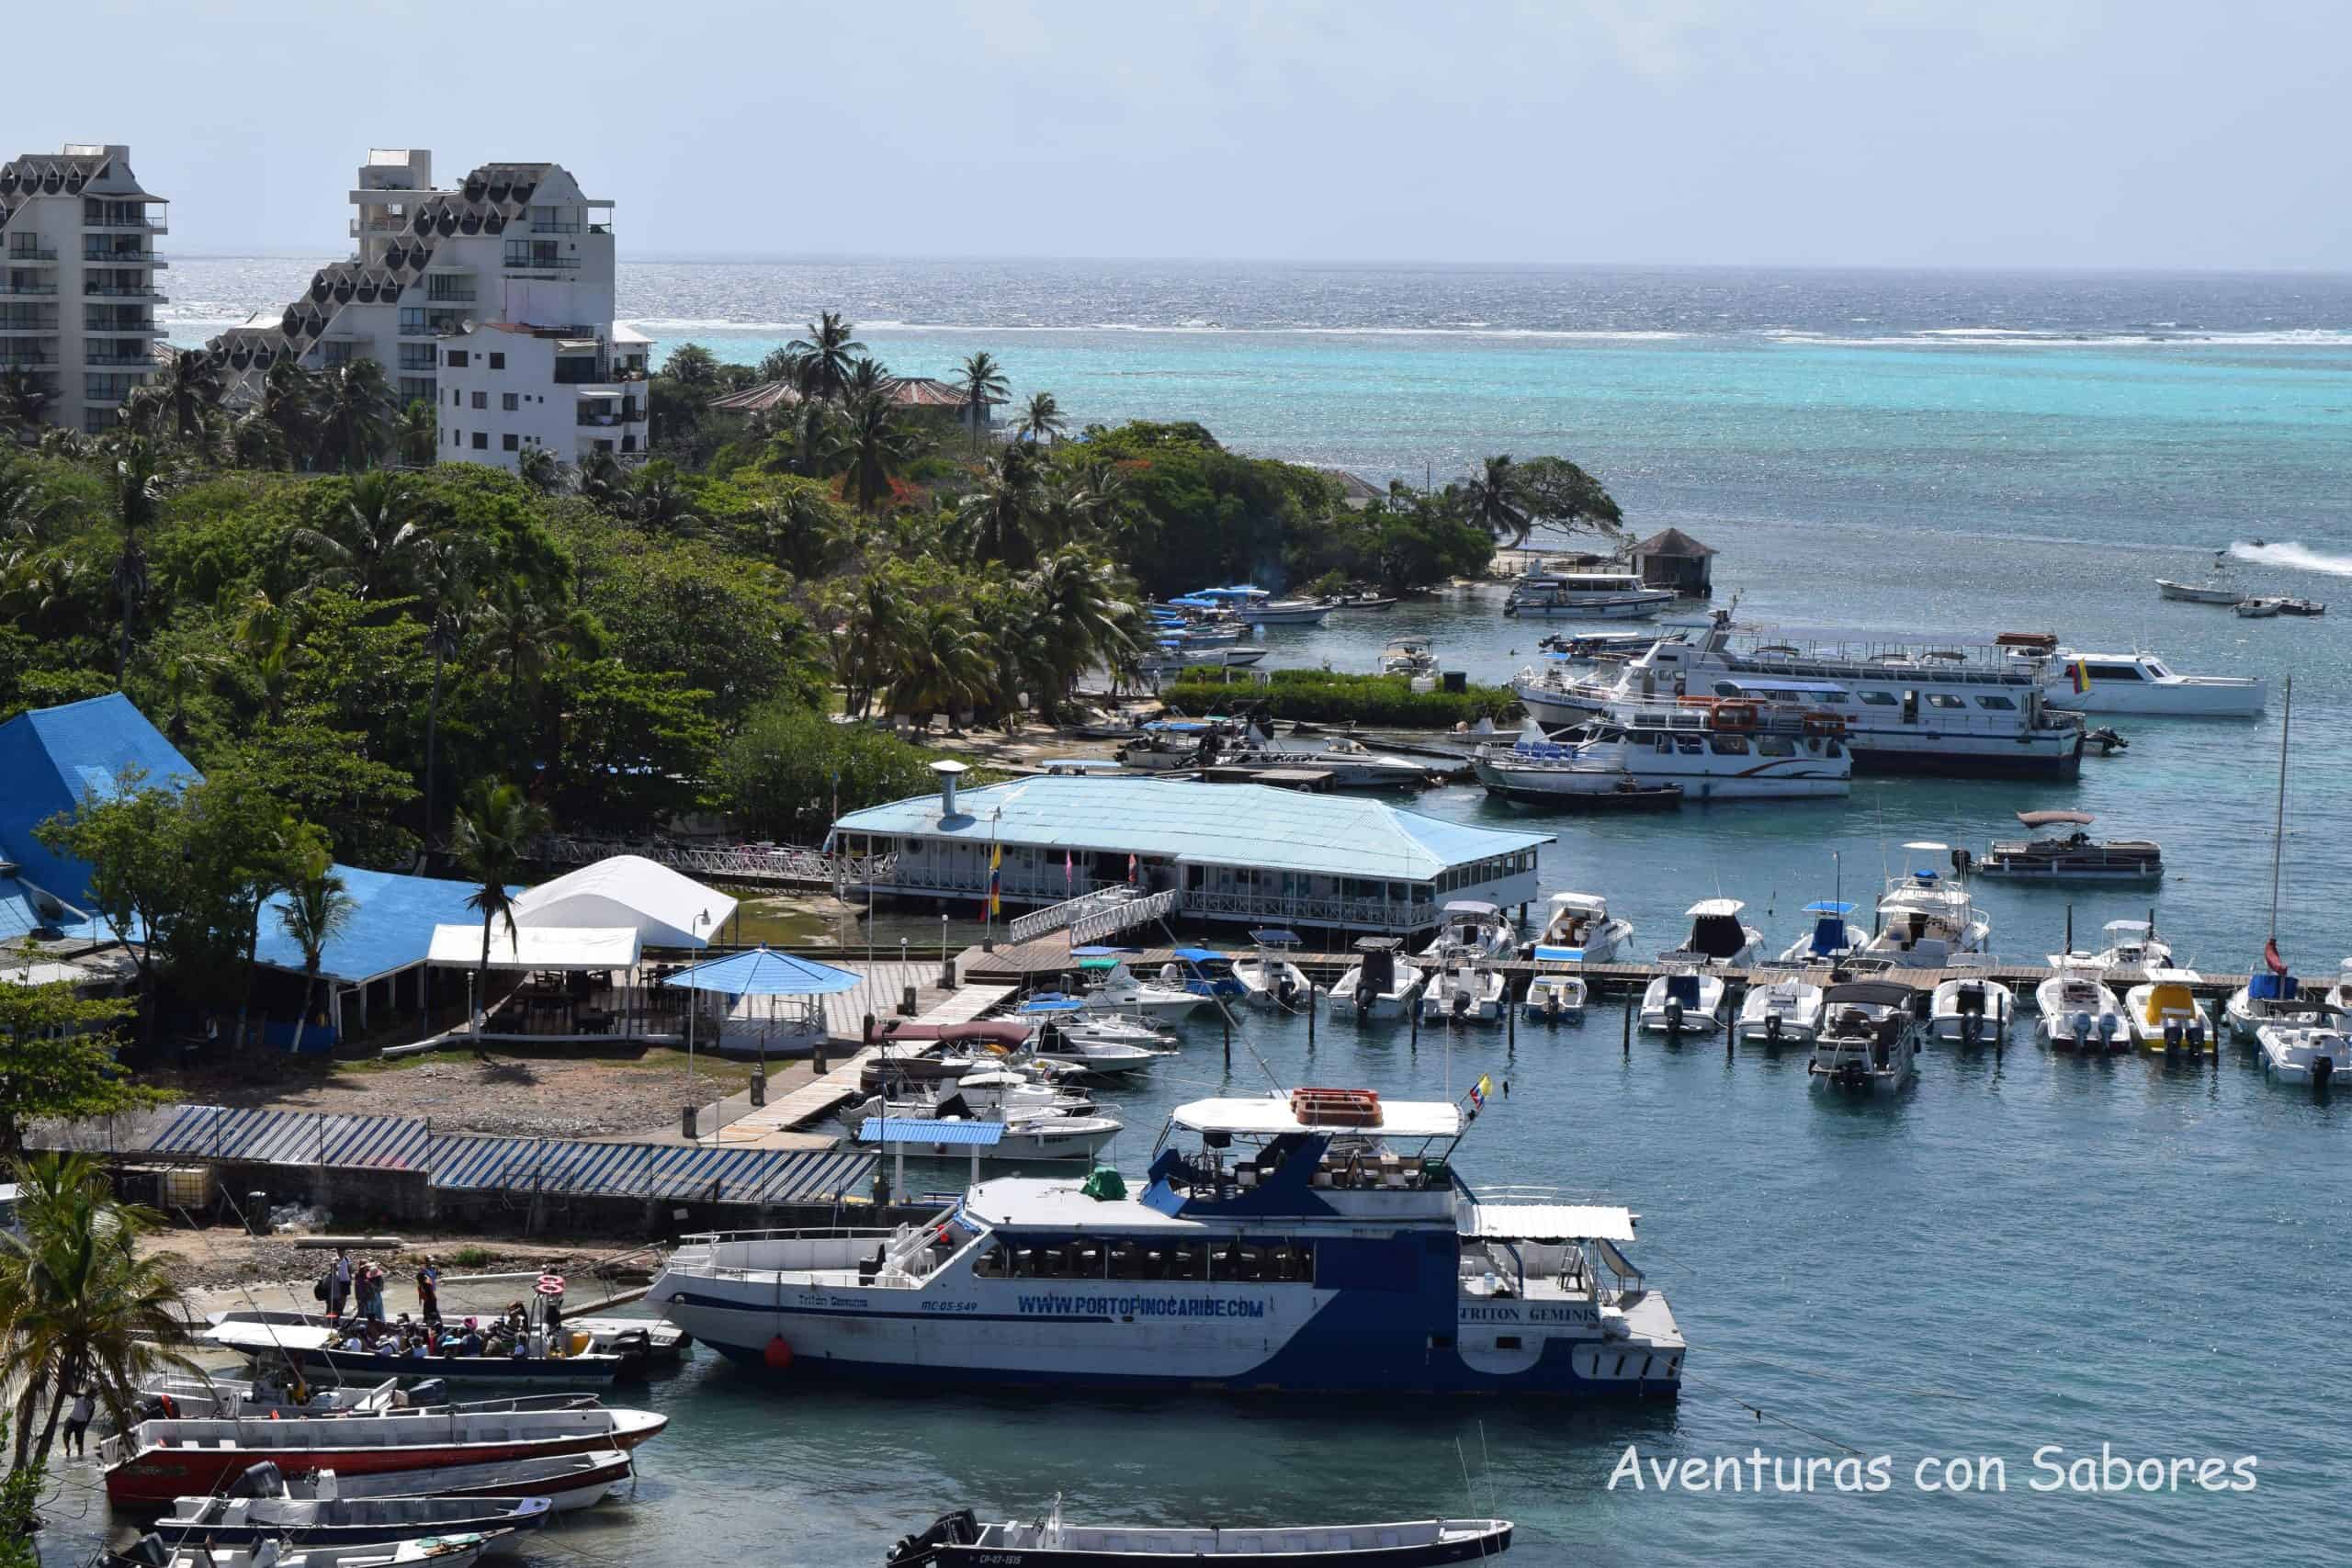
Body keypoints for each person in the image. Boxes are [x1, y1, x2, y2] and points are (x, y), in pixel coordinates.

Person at [63, 1388, 94, 1458]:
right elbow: (69, 1391)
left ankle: (80, 1456)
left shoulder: (92, 1404)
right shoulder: (79, 1396)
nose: (94, 1396)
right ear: (89, 1393)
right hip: (71, 1419)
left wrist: (85, 1426)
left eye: (95, 1395)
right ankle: (68, 1449)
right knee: (65, 1435)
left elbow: (90, 1417)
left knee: (80, 1442)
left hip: (81, 1423)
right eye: (93, 1394)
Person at [328, 1247, 353, 1318]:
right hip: (338, 1281)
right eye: (340, 1251)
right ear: (338, 1252)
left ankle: (341, 1311)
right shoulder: (334, 1260)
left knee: (344, 1297)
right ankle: (337, 1311)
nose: (342, 1253)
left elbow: (349, 1269)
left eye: (343, 1251)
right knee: (338, 1297)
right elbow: (332, 1270)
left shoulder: (347, 1259)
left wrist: (350, 1278)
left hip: (346, 1280)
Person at [417, 1258, 441, 1325]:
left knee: (432, 1304)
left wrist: (437, 1271)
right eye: (421, 1265)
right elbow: (422, 1282)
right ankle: (428, 1319)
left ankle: (433, 1318)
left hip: (432, 1289)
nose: (423, 1266)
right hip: (427, 1291)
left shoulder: (431, 1270)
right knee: (429, 1305)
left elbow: (433, 1277)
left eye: (423, 1264)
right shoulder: (422, 1273)